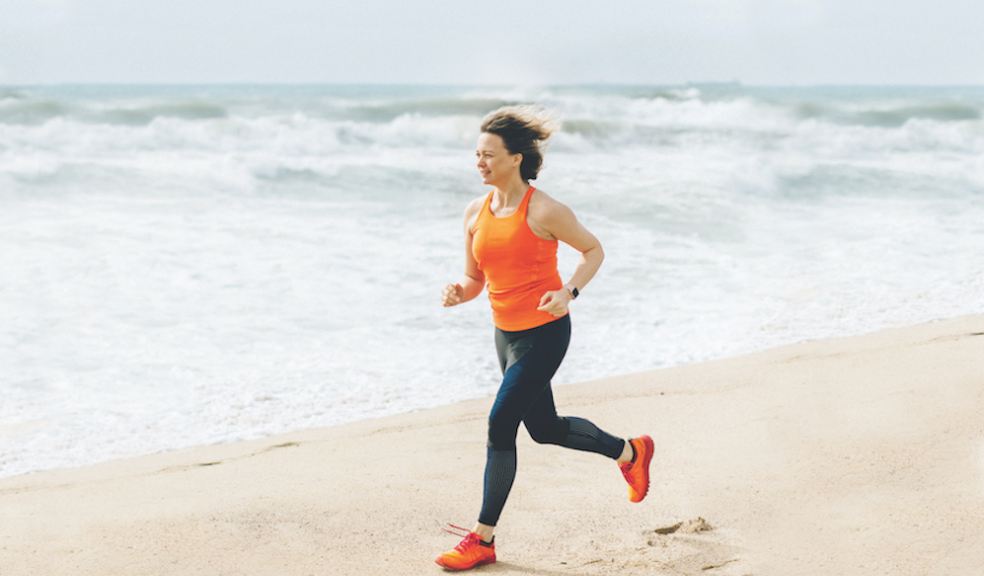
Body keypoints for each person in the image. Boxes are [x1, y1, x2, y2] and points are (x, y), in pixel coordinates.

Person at [434, 105, 654, 571]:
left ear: (516, 158)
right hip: (505, 334)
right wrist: (460, 293)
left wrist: (569, 291)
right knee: (545, 429)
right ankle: (631, 451)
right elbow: (476, 279)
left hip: (545, 334)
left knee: (499, 424)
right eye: (477, 154)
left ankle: (483, 539)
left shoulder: (547, 210)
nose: (479, 162)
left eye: (489, 155)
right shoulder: (475, 212)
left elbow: (593, 250)